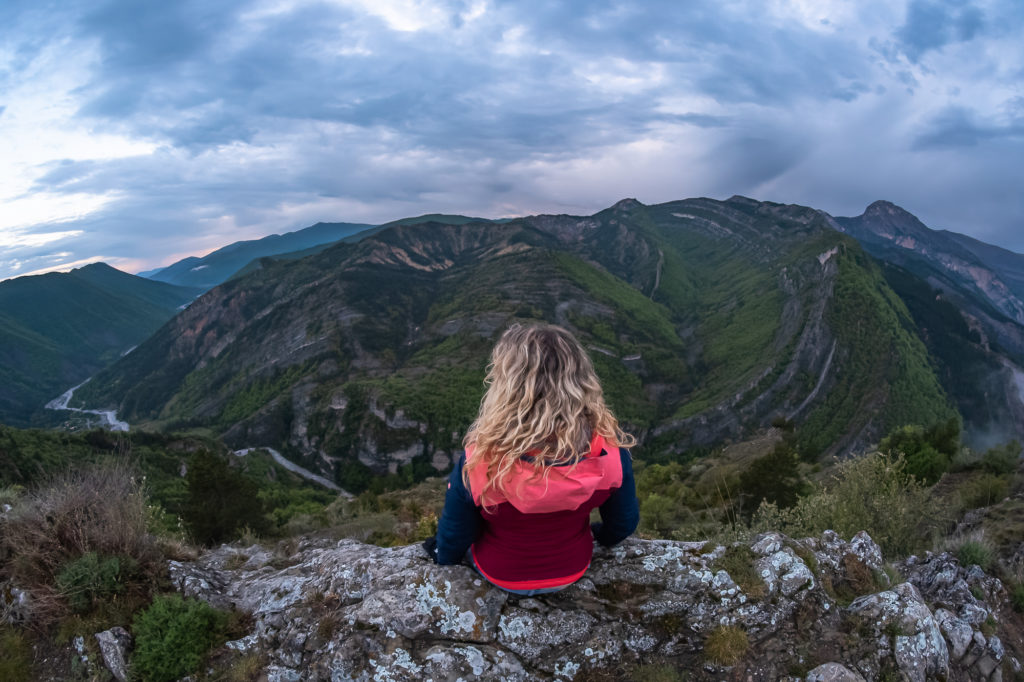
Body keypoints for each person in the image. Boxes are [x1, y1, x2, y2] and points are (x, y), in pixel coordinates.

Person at [423, 323, 639, 595]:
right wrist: (599, 535)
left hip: (500, 573)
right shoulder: (609, 453)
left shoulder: (480, 460)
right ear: (582, 381)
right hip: (572, 569)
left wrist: (443, 555)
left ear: (506, 387)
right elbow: (623, 524)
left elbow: (456, 536)